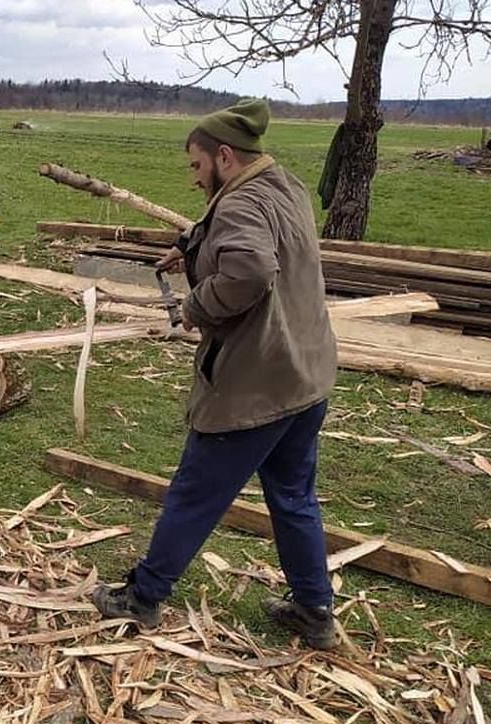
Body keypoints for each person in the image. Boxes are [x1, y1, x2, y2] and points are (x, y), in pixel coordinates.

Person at [89, 99, 341, 649]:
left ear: (224, 156)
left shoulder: (240, 205)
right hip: (306, 371)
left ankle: (143, 597)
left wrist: (196, 306)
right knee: (294, 495)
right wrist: (190, 248)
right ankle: (314, 610)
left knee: (195, 492)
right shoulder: (282, 184)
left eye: (198, 166)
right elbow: (241, 227)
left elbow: (250, 269)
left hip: (257, 381)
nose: (194, 178)